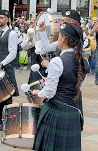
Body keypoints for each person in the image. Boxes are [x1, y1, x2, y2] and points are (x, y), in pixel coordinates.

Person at [31, 23, 88, 151]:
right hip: (73, 112)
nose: (58, 39)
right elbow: (77, 86)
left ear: (64, 38)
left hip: (56, 112)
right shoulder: (84, 61)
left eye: (59, 36)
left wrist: (38, 93)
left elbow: (50, 93)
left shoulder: (58, 61)